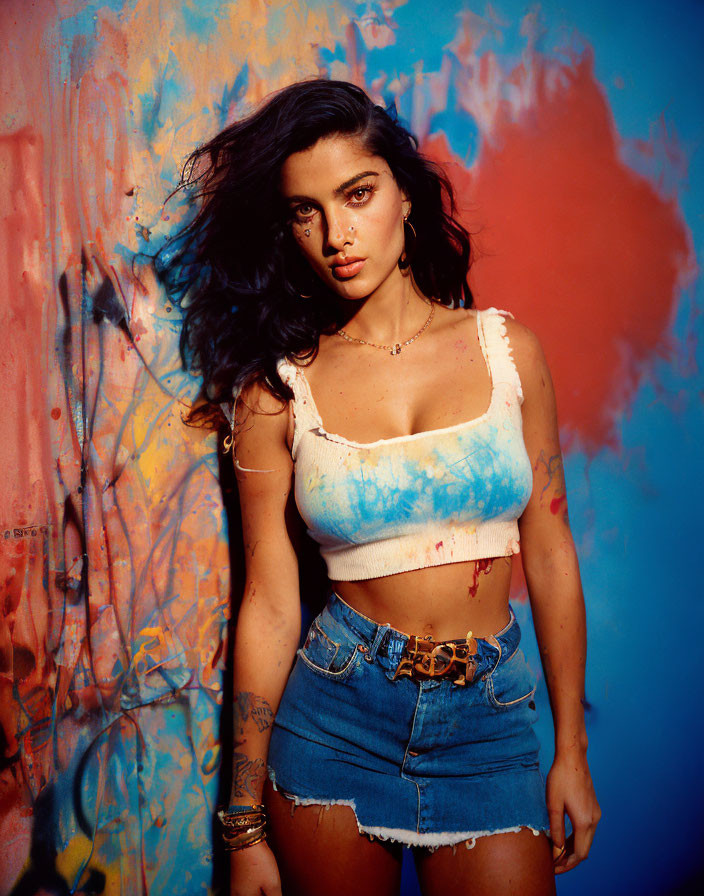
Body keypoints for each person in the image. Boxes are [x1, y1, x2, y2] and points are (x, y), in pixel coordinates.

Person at [161, 79, 600, 896]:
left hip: (490, 723)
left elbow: (549, 548)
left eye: (357, 194)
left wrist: (570, 748)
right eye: (305, 211)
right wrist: (242, 820)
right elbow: (267, 601)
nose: (336, 234)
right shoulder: (277, 391)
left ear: (404, 192)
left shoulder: (508, 351)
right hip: (336, 717)